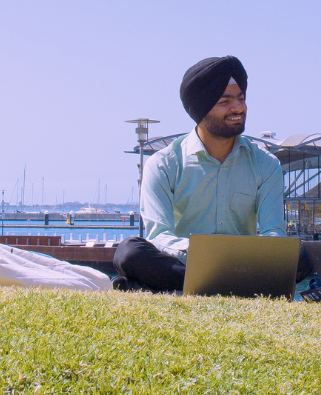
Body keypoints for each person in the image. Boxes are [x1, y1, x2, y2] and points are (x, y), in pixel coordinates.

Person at [112, 56, 296, 292]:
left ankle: (203, 285)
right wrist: (202, 255)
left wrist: (243, 256)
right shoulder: (163, 164)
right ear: (200, 109)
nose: (238, 108)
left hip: (244, 265)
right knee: (129, 251)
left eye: (241, 98)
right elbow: (160, 234)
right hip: (184, 262)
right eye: (225, 101)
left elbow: (274, 232)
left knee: (303, 255)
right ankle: (230, 286)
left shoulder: (265, 164)